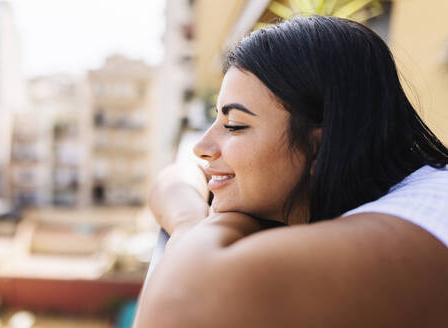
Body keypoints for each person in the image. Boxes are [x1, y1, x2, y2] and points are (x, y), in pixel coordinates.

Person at [133, 16, 448, 327]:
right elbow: (177, 177)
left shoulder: (424, 213)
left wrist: (192, 231)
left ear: (318, 147)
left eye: (234, 125)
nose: (202, 145)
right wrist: (194, 220)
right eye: (216, 120)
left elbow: (177, 305)